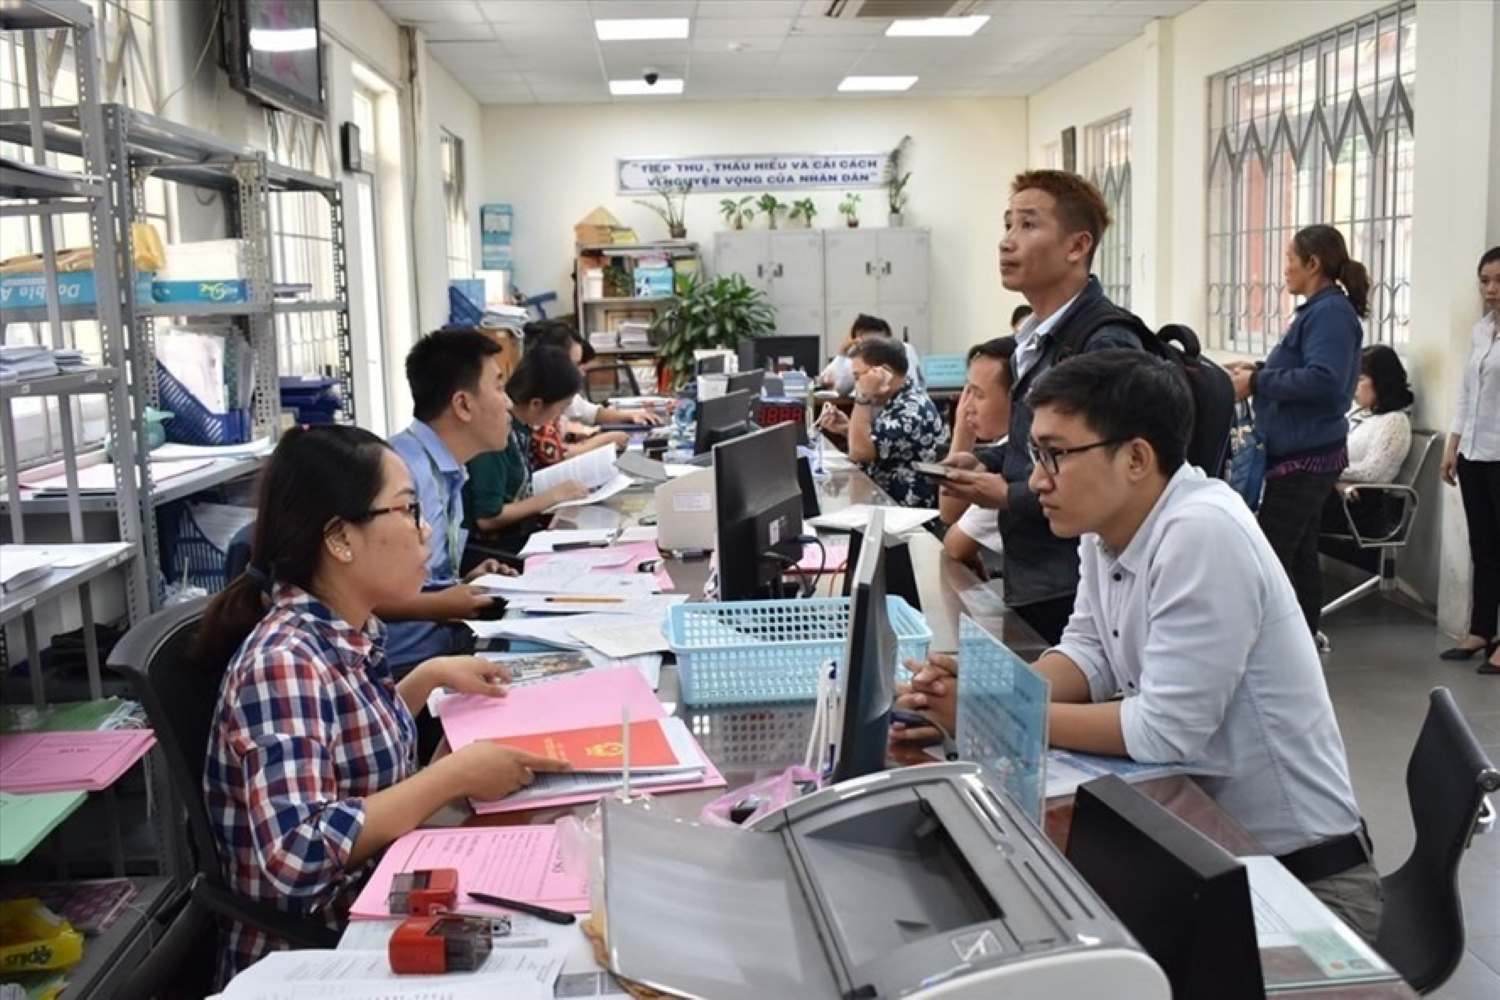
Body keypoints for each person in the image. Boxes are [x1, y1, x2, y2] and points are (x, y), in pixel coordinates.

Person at [895, 351, 1380, 942]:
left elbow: (1163, 731)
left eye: (1056, 455)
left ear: (1136, 458)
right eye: (1035, 455)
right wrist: (989, 689)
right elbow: (1088, 653)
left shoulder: (1200, 531)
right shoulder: (1108, 533)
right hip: (1207, 856)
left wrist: (999, 715)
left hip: (1302, 886)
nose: (1038, 478)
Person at [198, 425, 569, 980]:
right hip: (323, 952)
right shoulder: (283, 661)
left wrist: (425, 678)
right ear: (340, 538)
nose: (424, 533)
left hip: (383, 893)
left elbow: (340, 744)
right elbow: (299, 853)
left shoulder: (343, 627)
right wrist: (452, 776)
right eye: (407, 510)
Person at [938, 170, 1143, 645]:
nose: (1007, 243)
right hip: (1036, 574)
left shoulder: (1103, 342)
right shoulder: (1036, 340)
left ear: (1076, 246)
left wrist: (1007, 494)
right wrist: (983, 460)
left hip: (1075, 585)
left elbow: (1104, 476)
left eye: (1028, 226)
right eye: (1007, 225)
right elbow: (1035, 447)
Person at [1229, 225, 1367, 638]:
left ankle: (1275, 646)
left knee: (1271, 554)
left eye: (1290, 259)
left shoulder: (1331, 314)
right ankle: (1302, 641)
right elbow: (1304, 370)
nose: (1285, 269)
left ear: (1313, 263)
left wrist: (1258, 383)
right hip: (1295, 453)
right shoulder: (1318, 310)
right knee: (1301, 555)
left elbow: (1324, 382)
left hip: (1308, 457)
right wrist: (1260, 371)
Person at [382, 329, 517, 676]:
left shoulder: (446, 467)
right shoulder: (400, 475)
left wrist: (465, 582)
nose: (509, 403)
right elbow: (366, 594)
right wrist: (443, 604)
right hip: (407, 669)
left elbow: (417, 578)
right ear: (462, 405)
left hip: (443, 647)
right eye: (499, 387)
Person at [464, 345, 590, 554]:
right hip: (497, 548)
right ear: (536, 404)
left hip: (520, 534)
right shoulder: (495, 436)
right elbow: (488, 518)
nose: (561, 415)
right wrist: (553, 496)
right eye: (561, 407)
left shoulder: (521, 429)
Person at [1439, 245, 1500, 674]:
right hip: (1475, 453)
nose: (1491, 290)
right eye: (1484, 281)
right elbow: (1466, 392)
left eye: (1499, 281)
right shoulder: (1481, 331)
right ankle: (1481, 629)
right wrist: (1452, 444)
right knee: (1482, 545)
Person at [816, 336, 947, 507]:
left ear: (884, 373)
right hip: (880, 501)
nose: (856, 385)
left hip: (901, 512)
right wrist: (848, 429)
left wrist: (863, 397)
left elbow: (860, 453)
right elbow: (881, 443)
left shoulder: (912, 410)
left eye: (858, 377)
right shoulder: (899, 400)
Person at [525, 319, 660, 461]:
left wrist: (629, 415)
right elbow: (559, 454)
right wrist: (604, 440)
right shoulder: (540, 404)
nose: (581, 373)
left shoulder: (555, 396)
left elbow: (590, 412)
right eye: (576, 364)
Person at [1320, 345, 1413, 540]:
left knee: (1296, 498)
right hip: (1340, 495)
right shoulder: (1358, 413)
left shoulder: (1394, 421)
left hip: (1364, 506)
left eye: (1360, 379)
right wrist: (1333, 478)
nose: (1353, 384)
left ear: (1382, 381)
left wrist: (1328, 471)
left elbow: (1374, 472)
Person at [939, 337, 1016, 570]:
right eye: (966, 392)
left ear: (1018, 398)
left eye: (979, 395)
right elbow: (950, 512)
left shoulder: (1018, 458)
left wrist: (962, 433)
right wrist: (962, 433)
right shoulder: (1004, 446)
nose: (967, 407)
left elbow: (955, 543)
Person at [818, 313, 925, 395]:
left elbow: (913, 385)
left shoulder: (904, 349)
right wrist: (841, 354)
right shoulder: (859, 356)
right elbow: (840, 387)